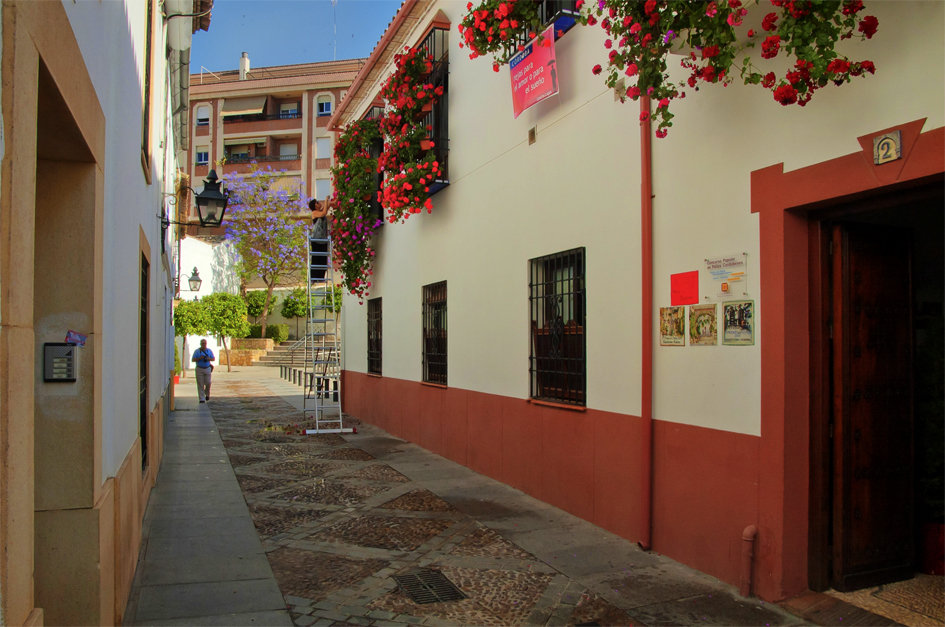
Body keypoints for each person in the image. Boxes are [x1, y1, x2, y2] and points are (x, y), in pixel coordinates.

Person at [309, 197, 334, 280]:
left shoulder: (320, 211)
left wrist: (334, 201)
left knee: (323, 259)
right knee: (316, 259)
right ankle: (314, 278)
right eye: (317, 203)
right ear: (314, 206)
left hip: (323, 239)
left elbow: (328, 206)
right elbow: (324, 213)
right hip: (316, 240)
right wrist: (326, 200)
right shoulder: (314, 213)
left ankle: (320, 278)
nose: (319, 203)